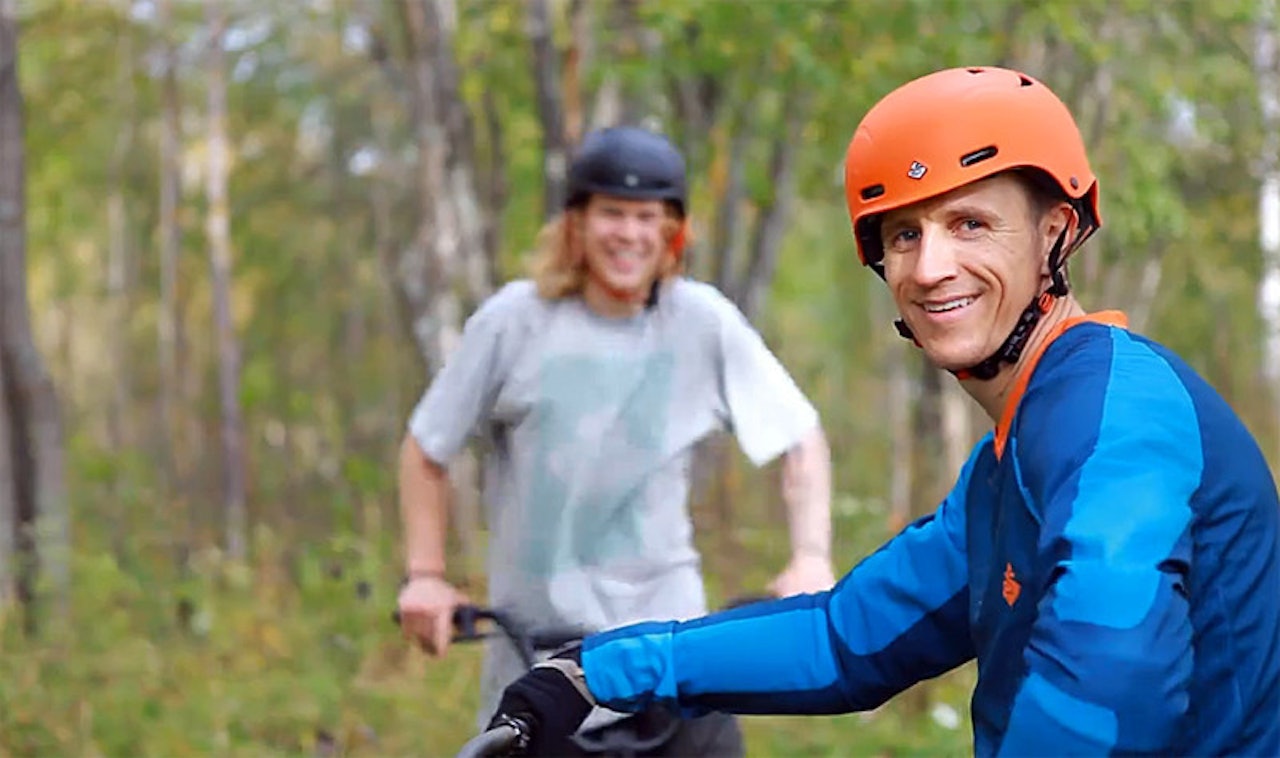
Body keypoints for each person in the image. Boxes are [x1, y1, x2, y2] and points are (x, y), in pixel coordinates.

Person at [484, 67, 1280, 756]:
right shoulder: (1009, 464)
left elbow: (1112, 680)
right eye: (904, 234)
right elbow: (844, 641)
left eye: (970, 222)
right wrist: (600, 670)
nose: (932, 267)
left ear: (1055, 232)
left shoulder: (1116, 418)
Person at [395, 125, 837, 756]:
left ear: (671, 232)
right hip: (545, 670)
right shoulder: (512, 323)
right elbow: (425, 449)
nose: (628, 234)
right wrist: (426, 575)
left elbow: (800, 439)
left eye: (645, 217)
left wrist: (811, 557)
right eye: (611, 214)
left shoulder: (701, 322)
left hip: (675, 662)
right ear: (575, 224)